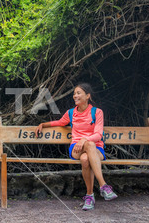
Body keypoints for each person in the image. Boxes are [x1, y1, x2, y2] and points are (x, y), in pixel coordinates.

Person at [35, 83, 117, 211]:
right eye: (74, 93)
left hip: (96, 148)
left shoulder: (97, 112)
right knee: (87, 149)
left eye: (78, 93)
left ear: (88, 96)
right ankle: (104, 186)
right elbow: (60, 122)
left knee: (86, 158)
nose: (75, 96)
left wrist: (84, 139)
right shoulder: (71, 112)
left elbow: (98, 134)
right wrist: (43, 124)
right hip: (76, 149)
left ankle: (89, 196)